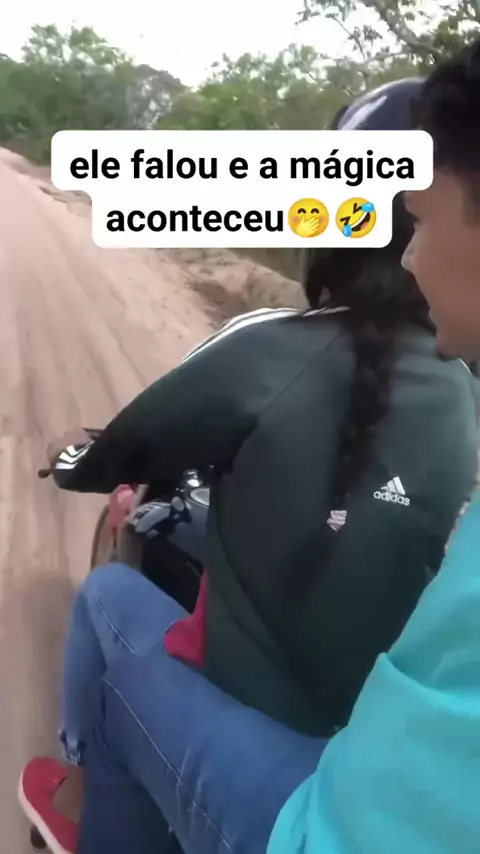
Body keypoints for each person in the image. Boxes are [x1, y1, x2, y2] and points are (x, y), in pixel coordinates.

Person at [19, 69, 480, 852]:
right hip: (366, 742)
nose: (412, 255)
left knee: (110, 613)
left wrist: (78, 456)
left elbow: (121, 449)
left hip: (324, 817)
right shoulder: (462, 391)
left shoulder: (270, 344)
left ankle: (86, 800)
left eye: (426, 218)